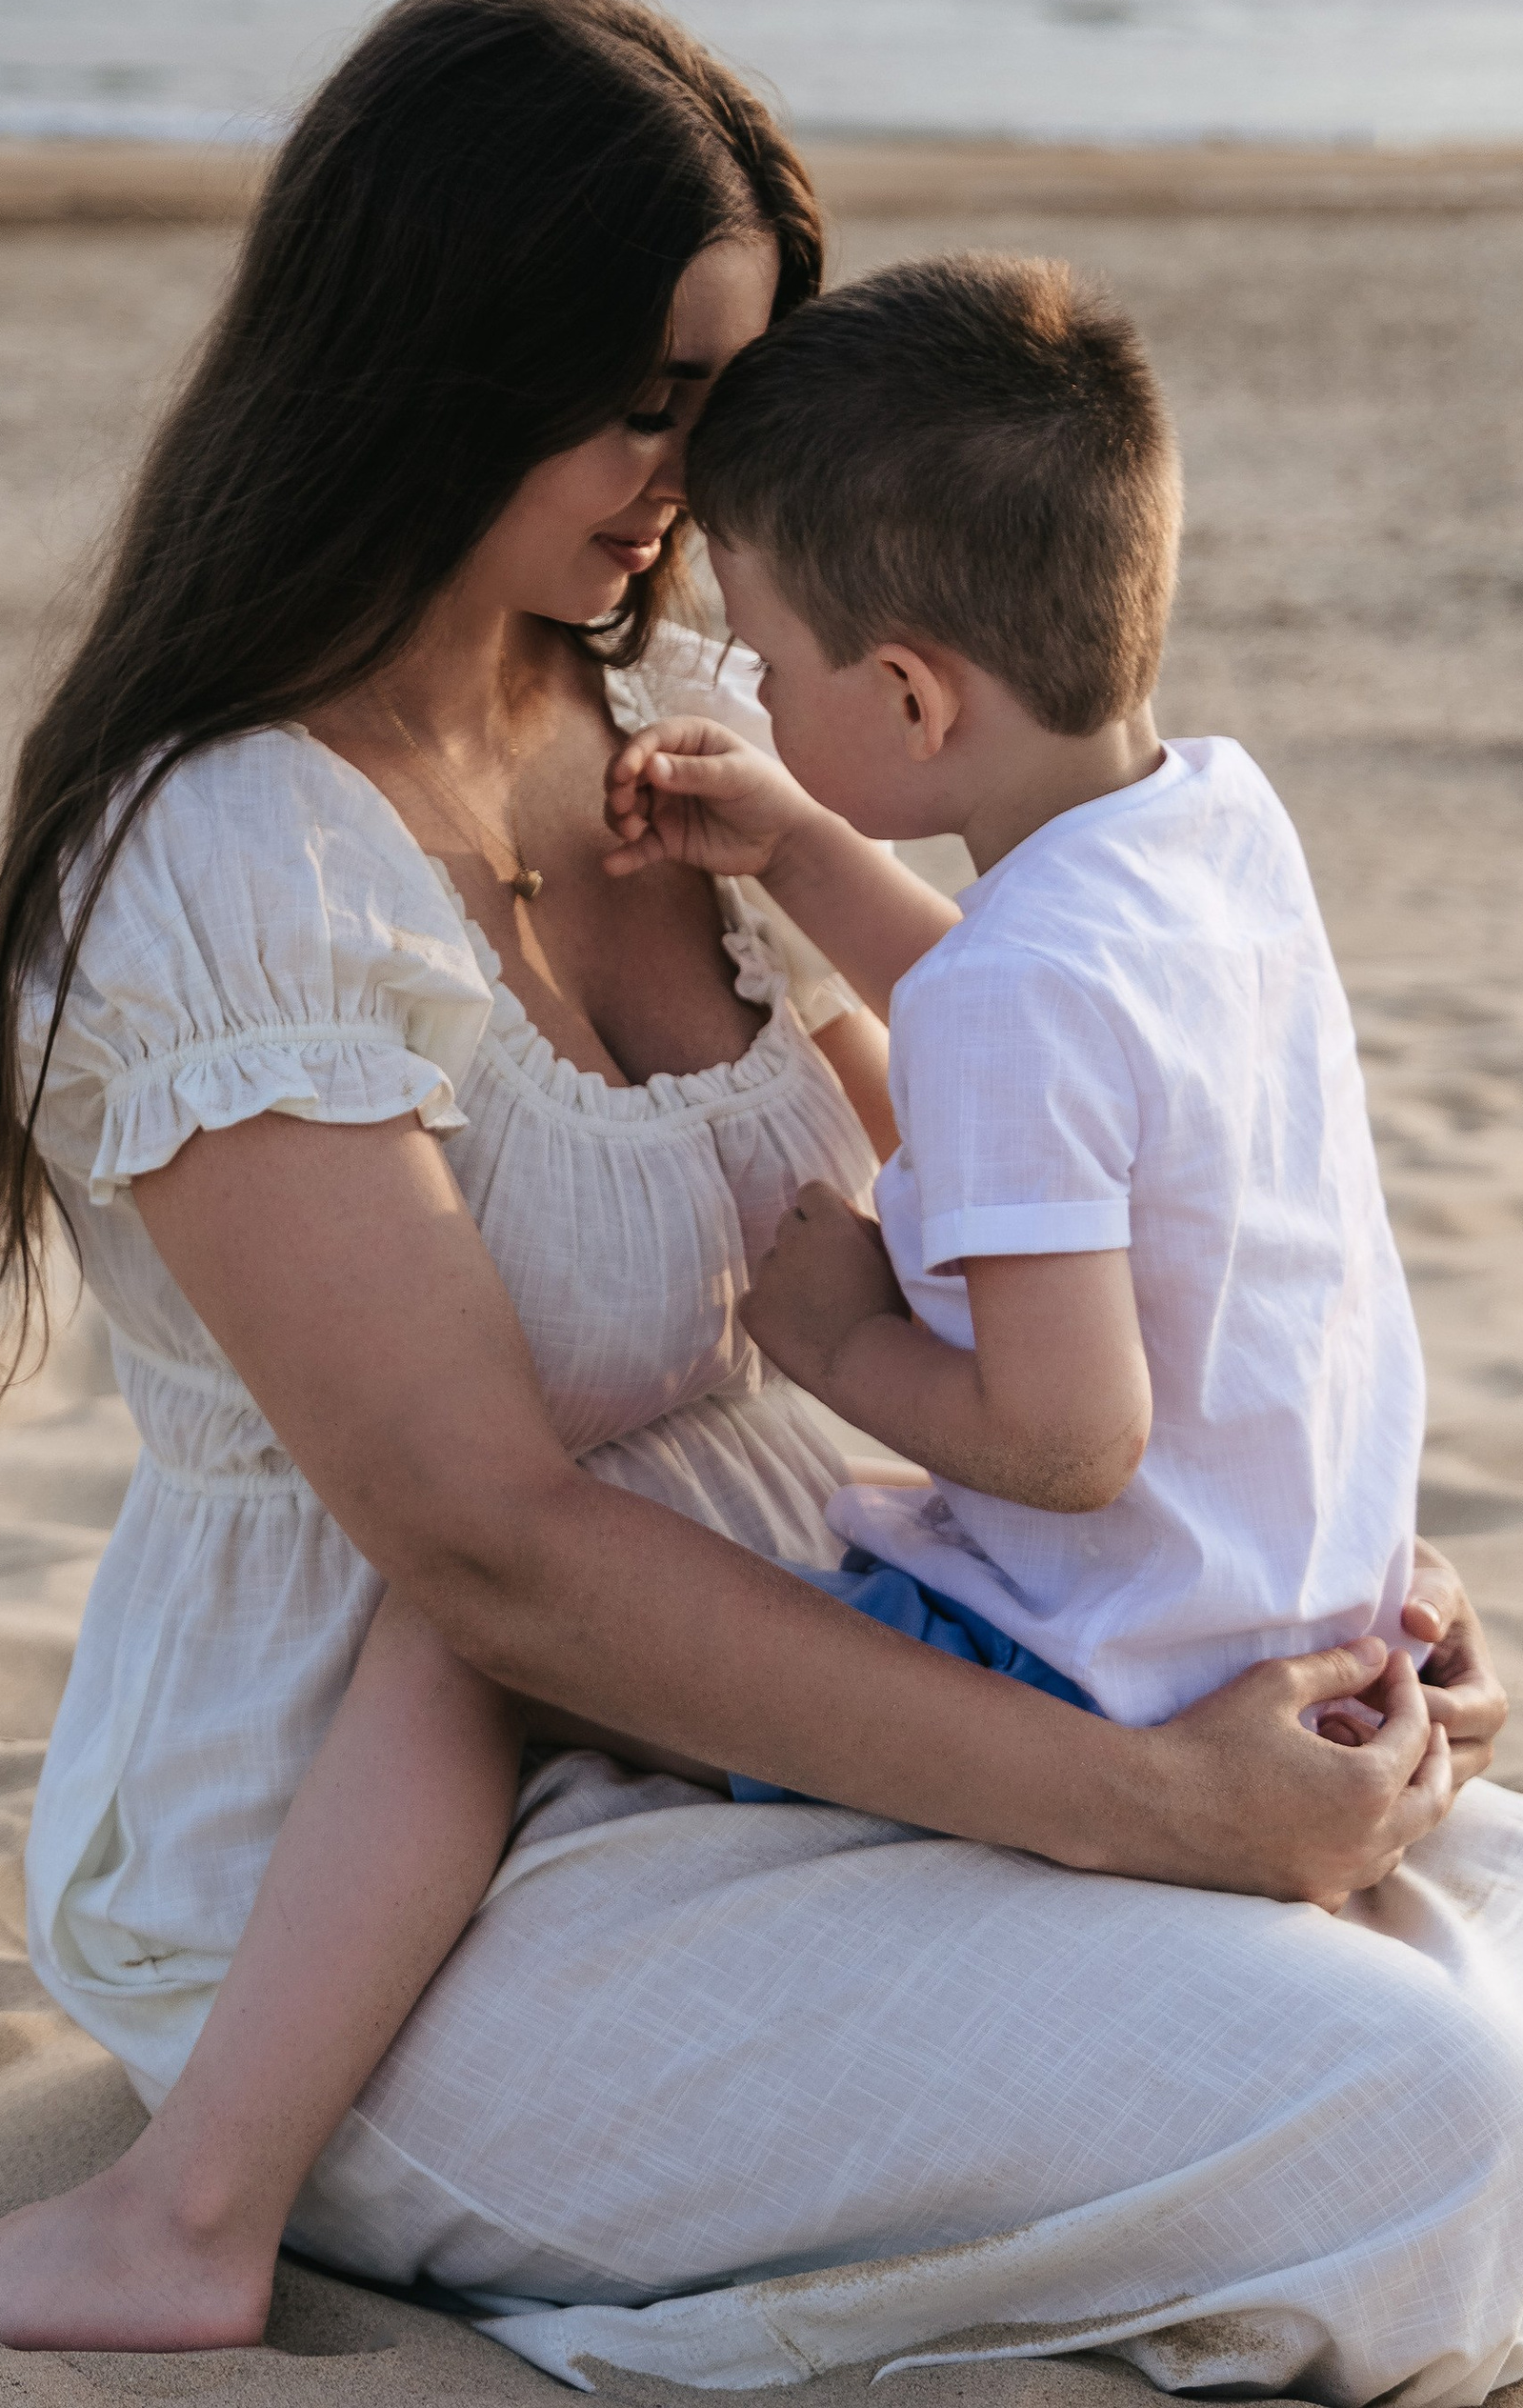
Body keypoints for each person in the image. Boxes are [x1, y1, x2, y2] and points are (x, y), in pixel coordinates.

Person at [0, 0, 1523, 2394]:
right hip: (387, 1859)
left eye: (720, 409)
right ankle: (203, 2205)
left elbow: (1026, 1171)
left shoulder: (682, 719)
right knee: (1436, 2110)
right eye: (639, 405)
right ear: (437, 354)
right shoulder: (221, 861)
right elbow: (481, 1548)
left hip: (844, 1662)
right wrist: (1154, 1810)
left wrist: (1300, 1573)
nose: (688, 487)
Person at [609, 248, 1429, 1789]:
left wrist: (838, 1337)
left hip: (1095, 1666)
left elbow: (1065, 1443)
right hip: (1288, 1593)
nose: (756, 696)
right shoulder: (1215, 830)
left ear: (915, 701)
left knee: (536, 1656)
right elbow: (1046, 1039)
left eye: (772, 667)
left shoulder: (1012, 993)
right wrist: (799, 845)